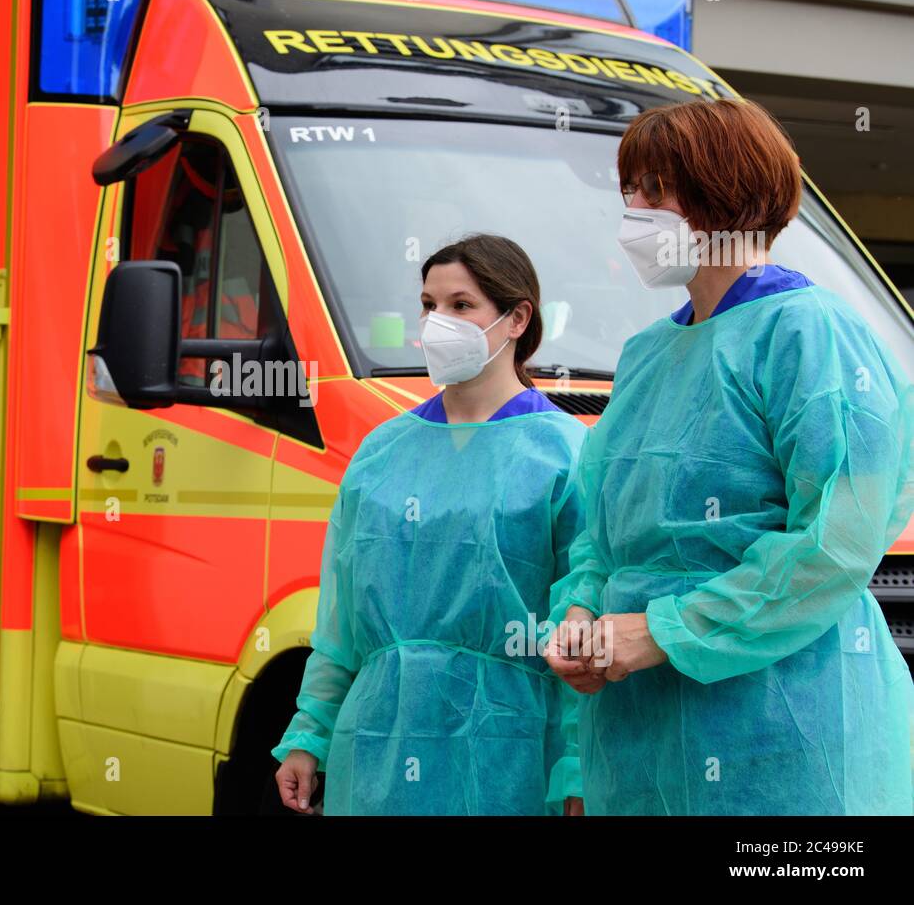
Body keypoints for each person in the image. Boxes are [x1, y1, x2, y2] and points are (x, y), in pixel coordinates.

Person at [545, 98, 914, 815]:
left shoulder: (809, 332)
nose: (633, 213)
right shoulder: (647, 354)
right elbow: (605, 532)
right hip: (637, 729)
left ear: (724, 192)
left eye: (655, 190)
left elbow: (836, 542)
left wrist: (665, 629)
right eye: (629, 191)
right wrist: (582, 612)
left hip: (782, 726)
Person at [273, 234, 587, 815]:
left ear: (518, 319)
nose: (437, 321)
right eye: (428, 304)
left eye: (461, 305)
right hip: (378, 750)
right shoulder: (381, 453)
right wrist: (309, 735)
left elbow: (582, 626)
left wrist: (576, 768)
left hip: (508, 756)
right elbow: (341, 626)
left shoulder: (564, 454)